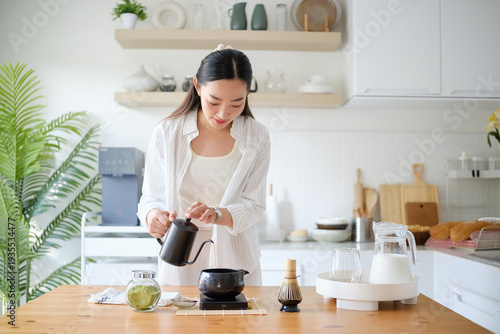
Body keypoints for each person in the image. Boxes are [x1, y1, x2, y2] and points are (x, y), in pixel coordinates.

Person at [137, 44, 270, 286]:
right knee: (179, 321)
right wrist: (153, 216)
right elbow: (150, 198)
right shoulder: (167, 132)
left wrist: (218, 214)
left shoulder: (257, 136)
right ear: (197, 86)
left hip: (236, 258)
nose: (223, 113)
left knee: (238, 323)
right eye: (214, 101)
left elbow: (254, 204)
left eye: (236, 103)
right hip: (179, 253)